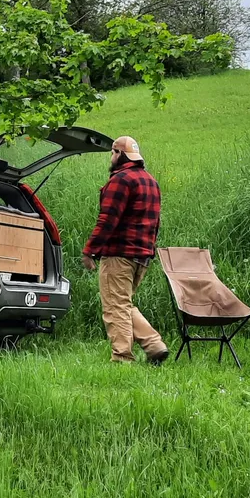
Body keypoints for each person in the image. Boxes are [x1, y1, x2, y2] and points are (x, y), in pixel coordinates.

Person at [82, 135, 169, 365]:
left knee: (114, 307)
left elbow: (107, 220)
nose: (111, 158)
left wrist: (90, 250)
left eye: (112, 153)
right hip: (142, 256)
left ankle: (122, 359)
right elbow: (156, 222)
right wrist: (148, 251)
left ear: (120, 154)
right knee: (122, 303)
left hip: (119, 255)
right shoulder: (151, 181)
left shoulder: (120, 180)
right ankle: (154, 344)